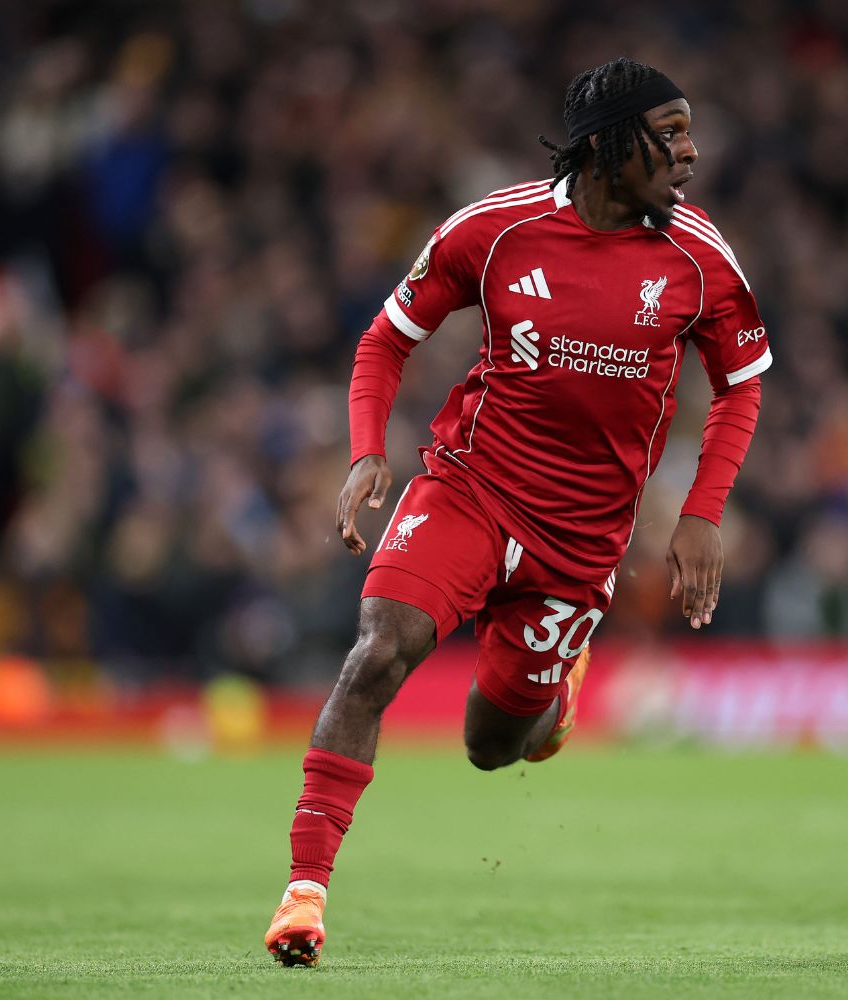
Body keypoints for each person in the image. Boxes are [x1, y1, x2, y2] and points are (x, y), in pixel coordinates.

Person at [264, 57, 771, 965]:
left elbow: (740, 388)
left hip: (583, 538)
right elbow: (387, 338)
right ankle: (305, 894)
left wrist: (701, 511)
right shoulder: (494, 230)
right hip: (471, 488)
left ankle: (554, 694)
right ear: (611, 145)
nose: (692, 153)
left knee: (494, 748)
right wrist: (368, 451)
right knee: (381, 647)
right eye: (674, 133)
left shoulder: (700, 254)